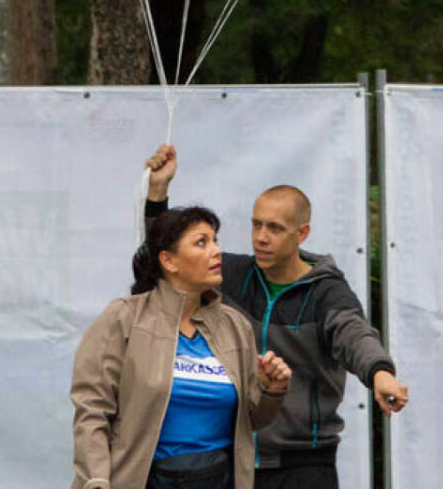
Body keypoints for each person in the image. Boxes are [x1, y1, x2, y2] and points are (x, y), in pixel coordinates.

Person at [144, 147, 408, 489]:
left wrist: (381, 374)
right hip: (234, 461)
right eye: (256, 225)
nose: (261, 237)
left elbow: (354, 335)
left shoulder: (326, 292)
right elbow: (171, 259)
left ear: (302, 233)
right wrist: (156, 194)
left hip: (304, 465)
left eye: (275, 228)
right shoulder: (232, 276)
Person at [71, 203, 293, 489]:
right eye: (201, 243)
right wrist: (96, 479)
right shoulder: (124, 317)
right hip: (145, 479)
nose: (216, 251)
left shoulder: (235, 326)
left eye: (215, 241)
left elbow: (251, 421)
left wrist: (270, 390)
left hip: (219, 477)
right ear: (169, 261)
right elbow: (92, 410)